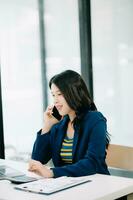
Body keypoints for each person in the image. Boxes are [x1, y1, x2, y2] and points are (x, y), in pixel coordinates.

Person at [28, 70, 110, 178]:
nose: (55, 100)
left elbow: (92, 163)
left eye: (59, 94)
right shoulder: (59, 125)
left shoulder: (95, 120)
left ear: (74, 93)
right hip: (68, 186)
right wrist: (47, 126)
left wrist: (52, 172)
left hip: (95, 185)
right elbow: (37, 161)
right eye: (53, 95)